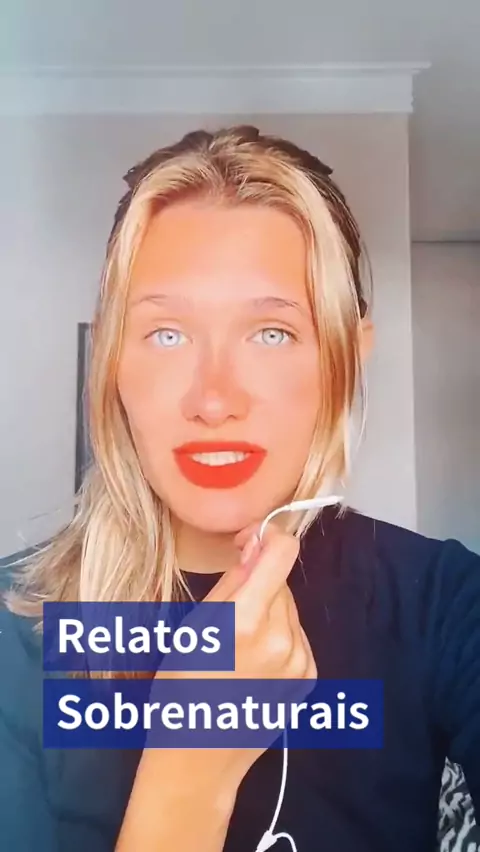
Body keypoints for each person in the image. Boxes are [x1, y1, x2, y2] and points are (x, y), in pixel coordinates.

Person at [0, 124, 479, 852]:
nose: (214, 400)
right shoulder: (17, 633)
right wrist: (190, 767)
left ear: (346, 359)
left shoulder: (442, 602)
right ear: (112, 361)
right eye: (167, 334)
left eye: (271, 333)